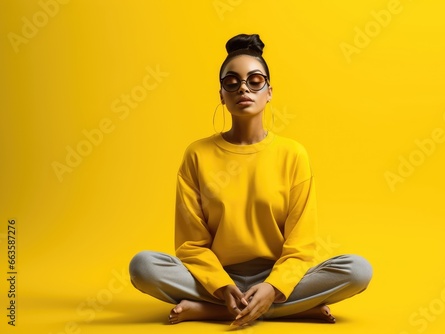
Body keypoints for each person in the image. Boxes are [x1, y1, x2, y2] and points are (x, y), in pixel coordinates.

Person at [129, 33, 372, 327]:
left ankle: (211, 311)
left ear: (269, 91)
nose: (243, 88)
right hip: (214, 278)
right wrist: (220, 283)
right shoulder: (197, 154)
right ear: (221, 94)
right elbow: (191, 244)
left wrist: (272, 287)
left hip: (279, 278)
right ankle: (294, 310)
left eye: (255, 81)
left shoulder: (292, 154)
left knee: (357, 270)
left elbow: (300, 246)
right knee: (143, 266)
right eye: (232, 82)